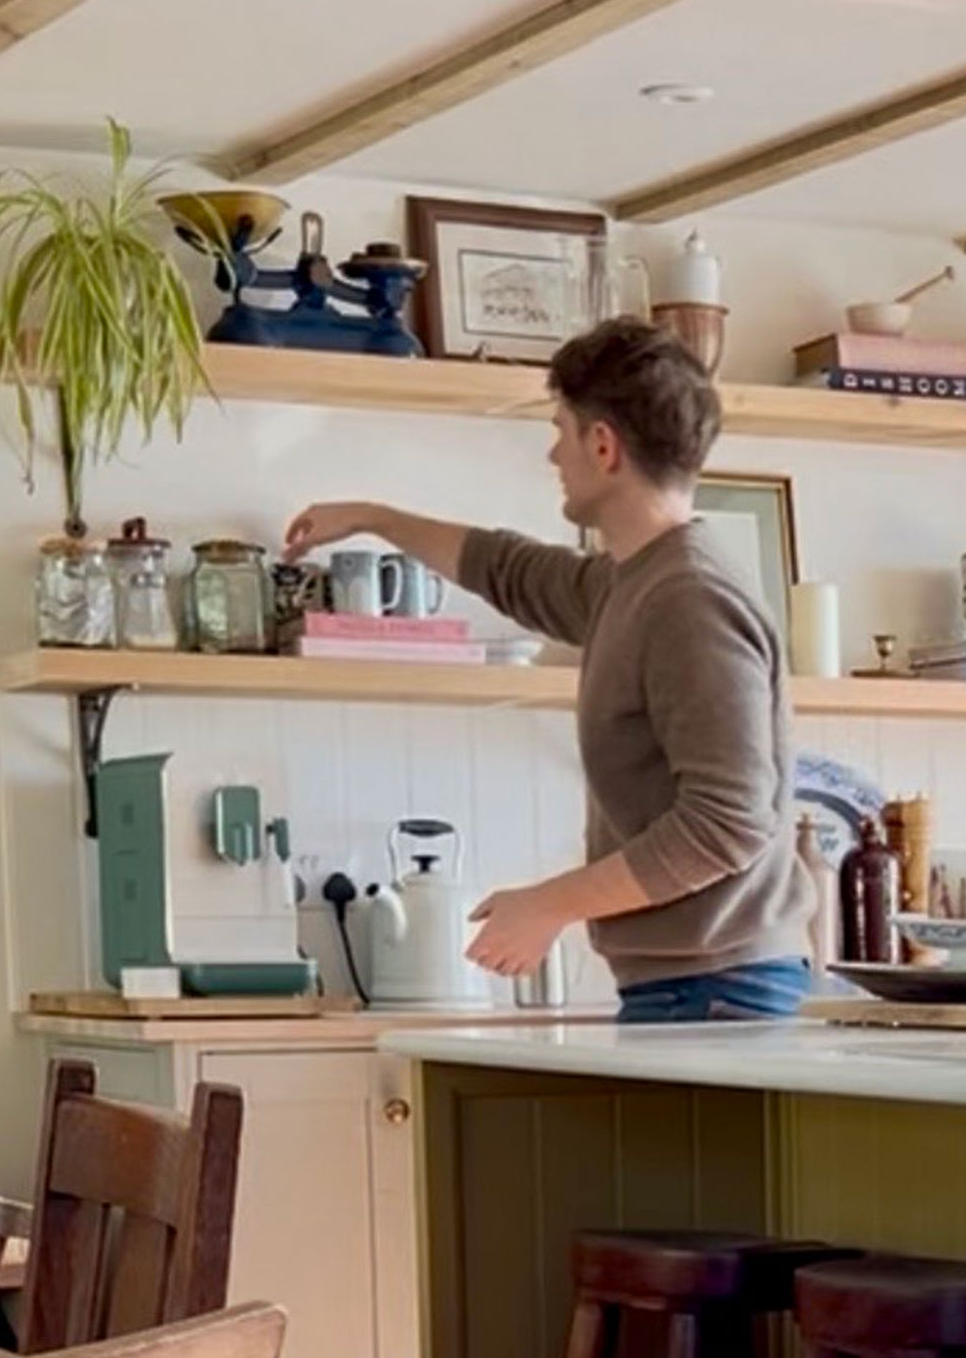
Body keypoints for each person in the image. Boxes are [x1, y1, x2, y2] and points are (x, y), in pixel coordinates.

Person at [283, 318, 811, 1024]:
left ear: (603, 446)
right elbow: (507, 569)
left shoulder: (690, 600)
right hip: (697, 987)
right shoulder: (631, 584)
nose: (552, 453)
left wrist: (550, 905)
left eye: (560, 430)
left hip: (722, 992)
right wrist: (376, 518)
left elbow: (727, 823)